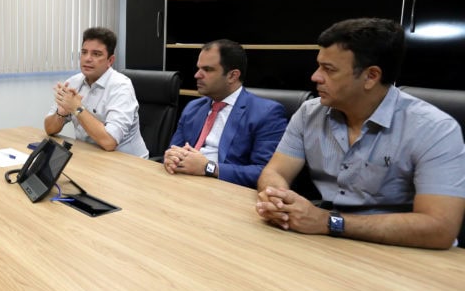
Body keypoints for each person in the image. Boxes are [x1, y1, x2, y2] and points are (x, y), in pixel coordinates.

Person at [256, 18, 465, 249]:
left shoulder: (435, 128)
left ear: (371, 76)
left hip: (402, 251)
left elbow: (440, 229)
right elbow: (275, 171)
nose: (315, 76)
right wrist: (278, 199)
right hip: (327, 241)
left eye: (329, 69)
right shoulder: (310, 113)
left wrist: (329, 222)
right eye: (319, 66)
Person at [164, 40, 288, 188]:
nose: (197, 75)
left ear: (232, 76)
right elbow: (173, 149)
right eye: (198, 68)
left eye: (207, 69)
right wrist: (171, 157)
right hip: (181, 182)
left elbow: (266, 173)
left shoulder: (266, 113)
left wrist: (208, 167)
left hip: (224, 189)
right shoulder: (193, 107)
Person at [44, 27, 149, 158]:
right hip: (91, 156)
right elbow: (49, 129)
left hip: (128, 163)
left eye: (96, 54)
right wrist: (61, 113)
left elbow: (109, 142)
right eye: (84, 52)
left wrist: (77, 108)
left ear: (110, 61)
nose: (87, 58)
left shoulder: (121, 87)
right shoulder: (73, 82)